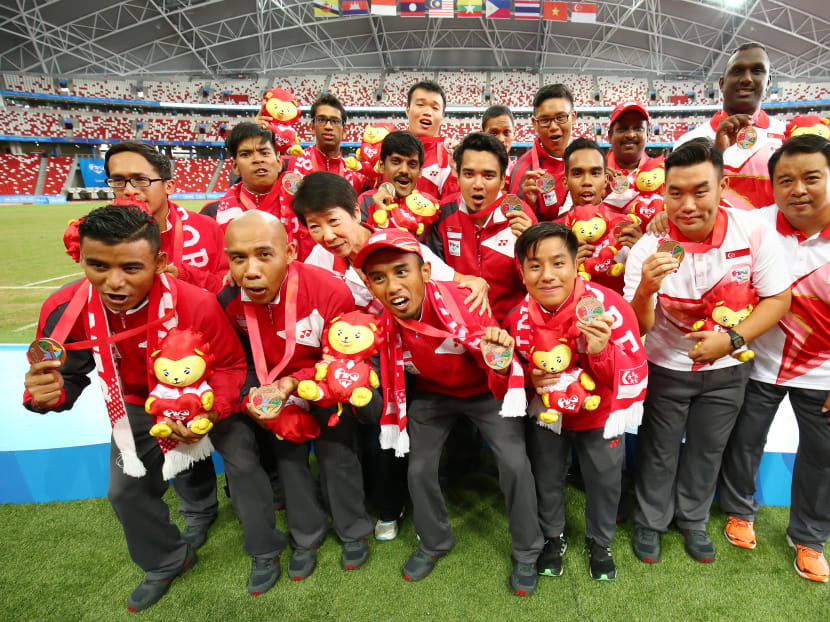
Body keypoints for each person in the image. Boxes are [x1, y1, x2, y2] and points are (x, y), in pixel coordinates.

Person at [22, 205, 255, 611]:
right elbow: (67, 375)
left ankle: (226, 524)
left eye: (131, 268)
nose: (113, 282)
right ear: (82, 259)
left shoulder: (197, 302)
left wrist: (210, 413)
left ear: (160, 262)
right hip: (134, 404)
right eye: (97, 265)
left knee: (243, 458)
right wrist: (48, 395)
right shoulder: (64, 310)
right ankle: (168, 558)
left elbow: (232, 365)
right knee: (124, 490)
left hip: (203, 397)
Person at [623, 138, 791, 564]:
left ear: (723, 185)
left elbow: (778, 299)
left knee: (707, 448)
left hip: (729, 369)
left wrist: (732, 341)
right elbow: (638, 325)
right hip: (665, 367)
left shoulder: (752, 232)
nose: (687, 204)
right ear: (663, 194)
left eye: (700, 190)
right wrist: (645, 287)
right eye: (675, 193)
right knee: (658, 449)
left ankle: (693, 521)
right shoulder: (648, 248)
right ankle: (650, 521)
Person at [354, 229, 543, 596]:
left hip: (484, 392)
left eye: (401, 271)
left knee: (515, 464)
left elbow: (499, 361)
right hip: (432, 398)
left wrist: (501, 357)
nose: (392, 286)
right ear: (369, 284)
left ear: (425, 271)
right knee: (420, 469)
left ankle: (527, 550)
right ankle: (434, 542)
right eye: (379, 278)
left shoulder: (464, 299)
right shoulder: (376, 325)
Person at [220, 210, 374, 581]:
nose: (250, 270)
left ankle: (353, 529)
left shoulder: (329, 289)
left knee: (336, 449)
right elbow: (232, 363)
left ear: (289, 252)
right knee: (287, 453)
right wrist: (255, 400)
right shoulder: (226, 298)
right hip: (271, 389)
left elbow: (342, 357)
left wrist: (297, 383)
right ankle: (307, 535)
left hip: (323, 384)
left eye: (263, 255)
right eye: (238, 258)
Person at [507, 221, 647, 581]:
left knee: (604, 479)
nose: (548, 275)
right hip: (548, 413)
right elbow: (514, 371)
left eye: (558, 263)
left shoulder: (608, 306)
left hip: (599, 413)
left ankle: (600, 542)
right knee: (548, 477)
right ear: (522, 273)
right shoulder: (518, 317)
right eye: (535, 266)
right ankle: (553, 537)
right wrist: (530, 377)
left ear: (575, 265)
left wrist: (600, 351)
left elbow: (626, 373)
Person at [718, 134, 830, 583]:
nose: (797, 189)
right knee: (745, 440)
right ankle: (739, 510)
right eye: (785, 180)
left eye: (811, 178)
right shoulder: (756, 223)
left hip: (822, 371)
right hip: (757, 360)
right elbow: (703, 220)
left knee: (821, 456)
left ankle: (808, 536)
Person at [426, 132, 536, 323]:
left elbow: (537, 284)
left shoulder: (521, 215)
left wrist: (532, 248)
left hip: (511, 329)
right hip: (459, 327)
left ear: (502, 180)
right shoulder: (443, 213)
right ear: (457, 176)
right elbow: (433, 275)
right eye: (469, 174)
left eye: (488, 175)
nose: (478, 184)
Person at [104, 141, 227, 293]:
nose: (129, 190)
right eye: (118, 181)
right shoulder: (102, 236)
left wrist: (184, 276)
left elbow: (227, 287)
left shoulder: (207, 227)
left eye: (141, 180)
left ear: (168, 186)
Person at [674, 42, 785, 211]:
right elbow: (679, 199)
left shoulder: (786, 136)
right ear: (722, 83)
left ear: (769, 82)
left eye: (756, 71)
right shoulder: (689, 140)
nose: (747, 79)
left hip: (771, 237)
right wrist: (717, 151)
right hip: (713, 237)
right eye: (737, 71)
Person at [202, 122, 315, 260]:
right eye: (246, 154)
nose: (257, 160)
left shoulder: (307, 205)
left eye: (264, 153)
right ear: (235, 167)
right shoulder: (211, 214)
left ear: (279, 163)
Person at [562, 137, 642, 294]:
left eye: (595, 173)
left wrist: (641, 252)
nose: (587, 182)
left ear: (606, 180)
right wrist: (564, 264)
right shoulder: (554, 233)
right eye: (577, 173)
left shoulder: (626, 228)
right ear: (566, 182)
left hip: (619, 314)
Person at [509, 83, 576, 221]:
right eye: (545, 120)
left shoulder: (588, 159)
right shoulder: (523, 172)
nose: (553, 126)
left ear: (573, 117)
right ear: (535, 124)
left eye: (561, 117)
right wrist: (529, 205)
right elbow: (518, 229)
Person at [357, 129, 437, 229]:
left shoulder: (430, 206)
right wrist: (378, 222)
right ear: (382, 166)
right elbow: (358, 242)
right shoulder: (365, 201)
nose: (404, 170)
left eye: (412, 164)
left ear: (420, 171)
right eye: (396, 161)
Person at [603, 102, 665, 227]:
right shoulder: (594, 172)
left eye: (638, 129)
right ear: (610, 136)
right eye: (622, 129)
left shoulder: (664, 173)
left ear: (647, 135)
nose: (630, 135)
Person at [290, 92, 366, 194]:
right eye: (321, 120)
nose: (328, 126)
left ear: (345, 131)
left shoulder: (353, 178)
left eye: (335, 121)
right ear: (312, 128)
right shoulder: (293, 165)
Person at [405, 80, 459, 200]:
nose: (427, 112)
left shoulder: (450, 155)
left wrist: (456, 172)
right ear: (408, 110)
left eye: (435, 108)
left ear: (442, 117)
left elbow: (454, 204)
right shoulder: (387, 147)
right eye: (420, 105)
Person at [481, 104, 517, 186]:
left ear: (514, 134)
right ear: (483, 135)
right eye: (494, 133)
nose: (501, 139)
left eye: (506, 132)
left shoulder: (520, 173)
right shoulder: (469, 172)